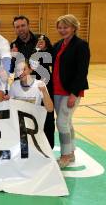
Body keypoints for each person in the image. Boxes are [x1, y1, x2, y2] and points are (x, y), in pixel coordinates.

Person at [51, 14, 90, 168]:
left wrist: (74, 93)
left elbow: (82, 71)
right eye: (60, 27)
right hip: (57, 90)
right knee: (67, 122)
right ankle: (71, 151)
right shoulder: (59, 44)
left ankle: (65, 155)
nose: (62, 30)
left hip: (71, 91)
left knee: (61, 123)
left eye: (65, 27)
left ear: (74, 27)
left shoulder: (81, 45)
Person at [11, 15, 55, 148]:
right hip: (23, 89)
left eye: (23, 25)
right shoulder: (14, 45)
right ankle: (26, 149)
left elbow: (53, 59)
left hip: (43, 86)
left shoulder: (41, 40)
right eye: (17, 27)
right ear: (15, 29)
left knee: (46, 117)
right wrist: (13, 57)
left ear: (28, 25)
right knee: (24, 119)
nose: (20, 29)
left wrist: (46, 49)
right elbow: (12, 69)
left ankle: (48, 150)